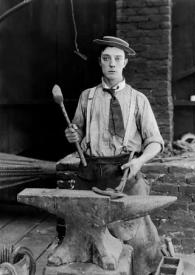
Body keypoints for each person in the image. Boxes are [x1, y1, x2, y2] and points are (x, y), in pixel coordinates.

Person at [65, 36, 164, 275]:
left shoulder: (138, 100)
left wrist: (140, 161)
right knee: (84, 233)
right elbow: (76, 130)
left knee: (135, 236)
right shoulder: (86, 97)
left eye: (117, 59)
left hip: (124, 173)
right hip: (89, 173)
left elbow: (156, 142)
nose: (112, 64)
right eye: (106, 58)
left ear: (125, 63)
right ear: (100, 62)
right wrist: (72, 134)